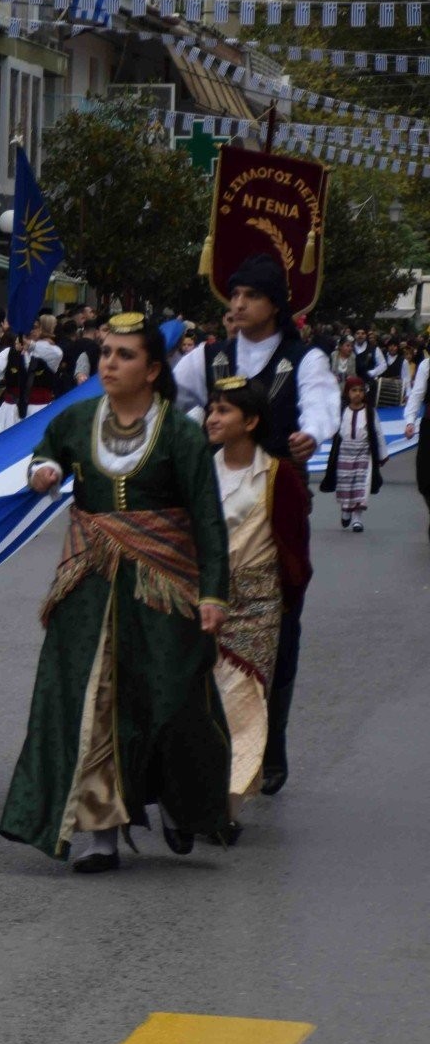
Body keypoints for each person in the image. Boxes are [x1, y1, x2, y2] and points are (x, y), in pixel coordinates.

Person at [0, 314, 233, 873]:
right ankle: (100, 834)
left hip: (165, 586)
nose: (108, 362)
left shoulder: (180, 435)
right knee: (92, 700)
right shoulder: (78, 420)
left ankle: (179, 802)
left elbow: (208, 519)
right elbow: (47, 451)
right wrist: (45, 469)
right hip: (91, 582)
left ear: (153, 370)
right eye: (106, 352)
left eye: (124, 355)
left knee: (172, 700)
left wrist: (213, 594)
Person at [173, 254, 337, 798]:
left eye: (250, 296)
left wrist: (310, 434)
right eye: (233, 295)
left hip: (274, 496)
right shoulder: (210, 356)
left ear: (275, 303)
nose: (237, 305)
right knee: (203, 614)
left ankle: (272, 741)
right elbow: (171, 400)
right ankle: (210, 744)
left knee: (280, 622)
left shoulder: (302, 357)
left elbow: (319, 403)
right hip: (214, 494)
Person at [203, 377, 311, 833]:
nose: (212, 418)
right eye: (211, 409)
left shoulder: (277, 475)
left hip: (259, 606)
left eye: (224, 411)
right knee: (203, 704)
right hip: (205, 602)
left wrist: (284, 604)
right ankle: (197, 795)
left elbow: (295, 549)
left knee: (241, 703)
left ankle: (225, 808)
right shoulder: (199, 470)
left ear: (250, 421)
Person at [319, 375, 386, 533]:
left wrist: (382, 455)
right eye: (354, 390)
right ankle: (345, 510)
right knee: (345, 483)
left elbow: (378, 432)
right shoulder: (342, 411)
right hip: (344, 453)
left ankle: (357, 518)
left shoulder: (370, 412)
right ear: (347, 393)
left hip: (363, 452)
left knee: (361, 484)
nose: (357, 394)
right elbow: (332, 428)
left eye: (361, 391)